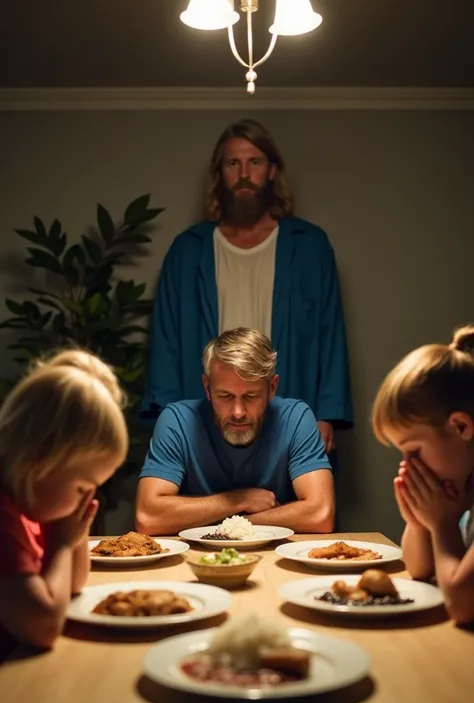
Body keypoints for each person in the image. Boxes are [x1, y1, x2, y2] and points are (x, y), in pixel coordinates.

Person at [142, 118, 353, 454]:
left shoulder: (311, 247)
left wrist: (326, 415)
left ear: (271, 171)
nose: (244, 173)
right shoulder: (188, 251)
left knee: (293, 504)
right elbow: (167, 341)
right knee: (204, 505)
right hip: (206, 415)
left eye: (254, 162)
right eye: (232, 163)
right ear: (220, 174)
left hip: (289, 410)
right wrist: (168, 421)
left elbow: (331, 335)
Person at [136, 327, 334, 536]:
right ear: (207, 387)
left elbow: (320, 514)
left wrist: (236, 525)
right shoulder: (177, 421)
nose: (238, 412)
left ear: (272, 387)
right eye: (225, 396)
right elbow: (148, 517)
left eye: (250, 396)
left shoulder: (296, 418)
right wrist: (241, 499)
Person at [0, 349, 128, 658]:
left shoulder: (34, 503)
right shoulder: (4, 518)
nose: (87, 499)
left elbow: (72, 585)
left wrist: (74, 534)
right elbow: (44, 628)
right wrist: (60, 543)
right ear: (41, 462)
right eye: (82, 486)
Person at [372, 324, 474, 625]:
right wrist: (418, 522)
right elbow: (419, 569)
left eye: (414, 450)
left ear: (460, 427)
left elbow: (462, 605)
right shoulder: (461, 486)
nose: (408, 464)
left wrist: (442, 525)